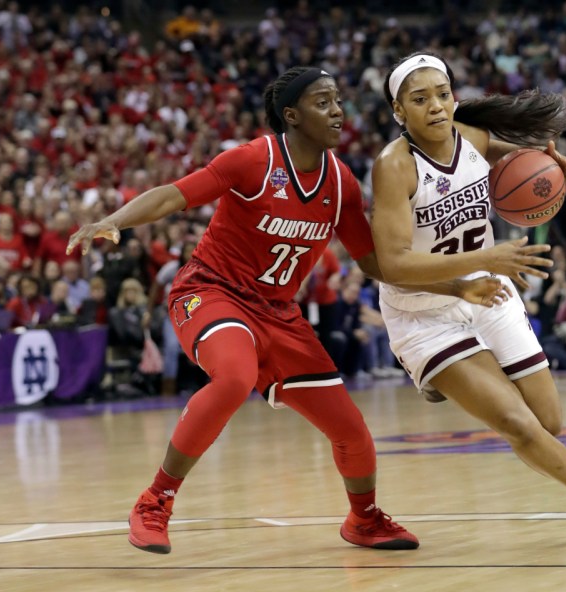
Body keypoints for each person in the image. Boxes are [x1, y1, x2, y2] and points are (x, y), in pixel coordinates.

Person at [67, 66, 520, 556]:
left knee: (352, 432)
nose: (337, 111)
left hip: (278, 314)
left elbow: (376, 263)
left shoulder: (342, 183)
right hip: (211, 292)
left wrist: (457, 286)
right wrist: (113, 220)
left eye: (338, 101)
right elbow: (175, 194)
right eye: (323, 102)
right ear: (292, 115)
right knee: (235, 377)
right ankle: (155, 501)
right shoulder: (252, 159)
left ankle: (364, 519)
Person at [370, 52, 566, 546]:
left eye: (443, 94)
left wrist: (544, 159)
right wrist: (484, 261)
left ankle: (448, 381)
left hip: (488, 290)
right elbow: (393, 264)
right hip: (423, 311)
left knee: (547, 422)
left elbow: (510, 158)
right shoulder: (394, 166)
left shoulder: (470, 138)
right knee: (517, 424)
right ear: (397, 111)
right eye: (419, 99)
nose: (435, 106)